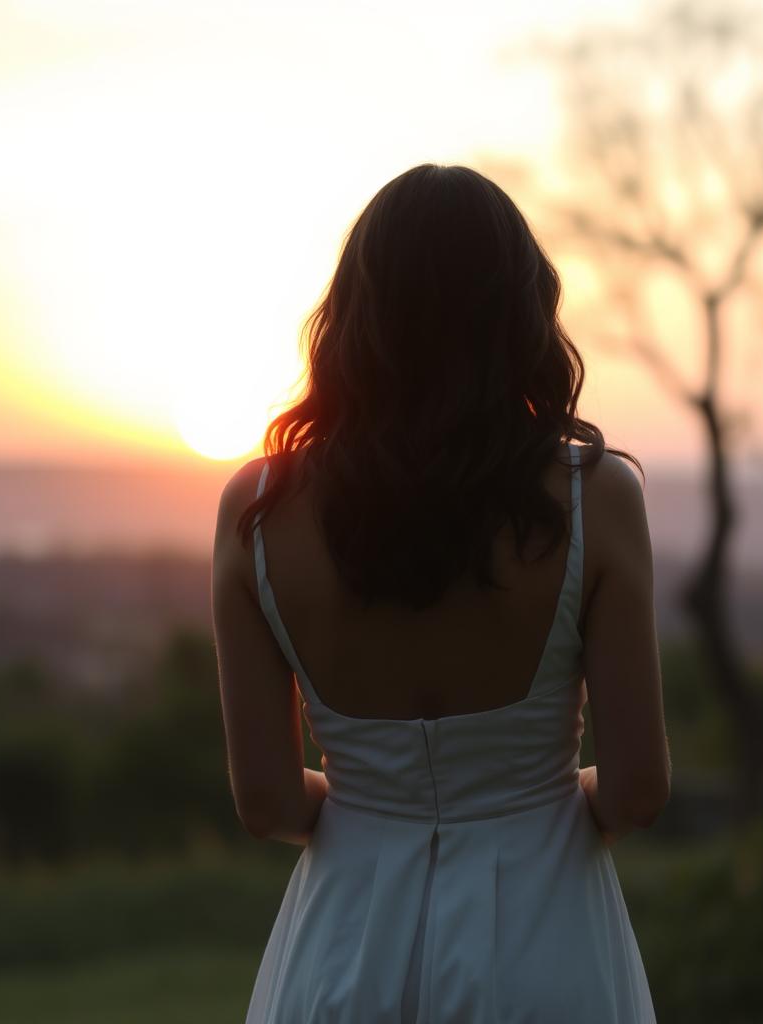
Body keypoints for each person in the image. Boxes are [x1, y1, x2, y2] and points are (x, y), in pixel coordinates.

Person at [211, 163, 671, 1023]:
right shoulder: (596, 496)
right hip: (550, 944)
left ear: (354, 317)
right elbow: (637, 793)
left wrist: (373, 800)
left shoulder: (258, 511)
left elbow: (268, 801)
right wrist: (522, 797)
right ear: (520, 313)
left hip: (338, 954)